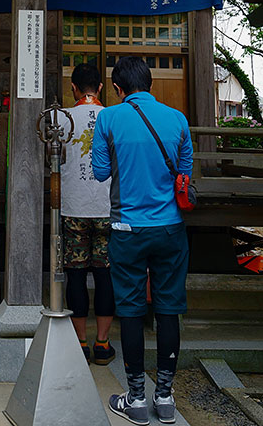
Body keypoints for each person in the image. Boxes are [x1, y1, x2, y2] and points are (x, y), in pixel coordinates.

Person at [92, 56, 193, 426]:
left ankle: (135, 399)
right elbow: (185, 175)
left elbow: (100, 171)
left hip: (127, 229)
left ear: (118, 88)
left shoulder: (108, 118)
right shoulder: (178, 119)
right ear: (149, 83)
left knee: (132, 310)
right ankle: (164, 397)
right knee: (168, 309)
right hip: (170, 229)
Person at [61, 62, 116, 365]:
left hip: (74, 207)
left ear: (73, 88)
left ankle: (80, 342)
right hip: (108, 207)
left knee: (76, 274)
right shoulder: (113, 117)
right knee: (106, 274)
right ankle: (102, 343)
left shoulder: (62, 117)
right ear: (101, 87)